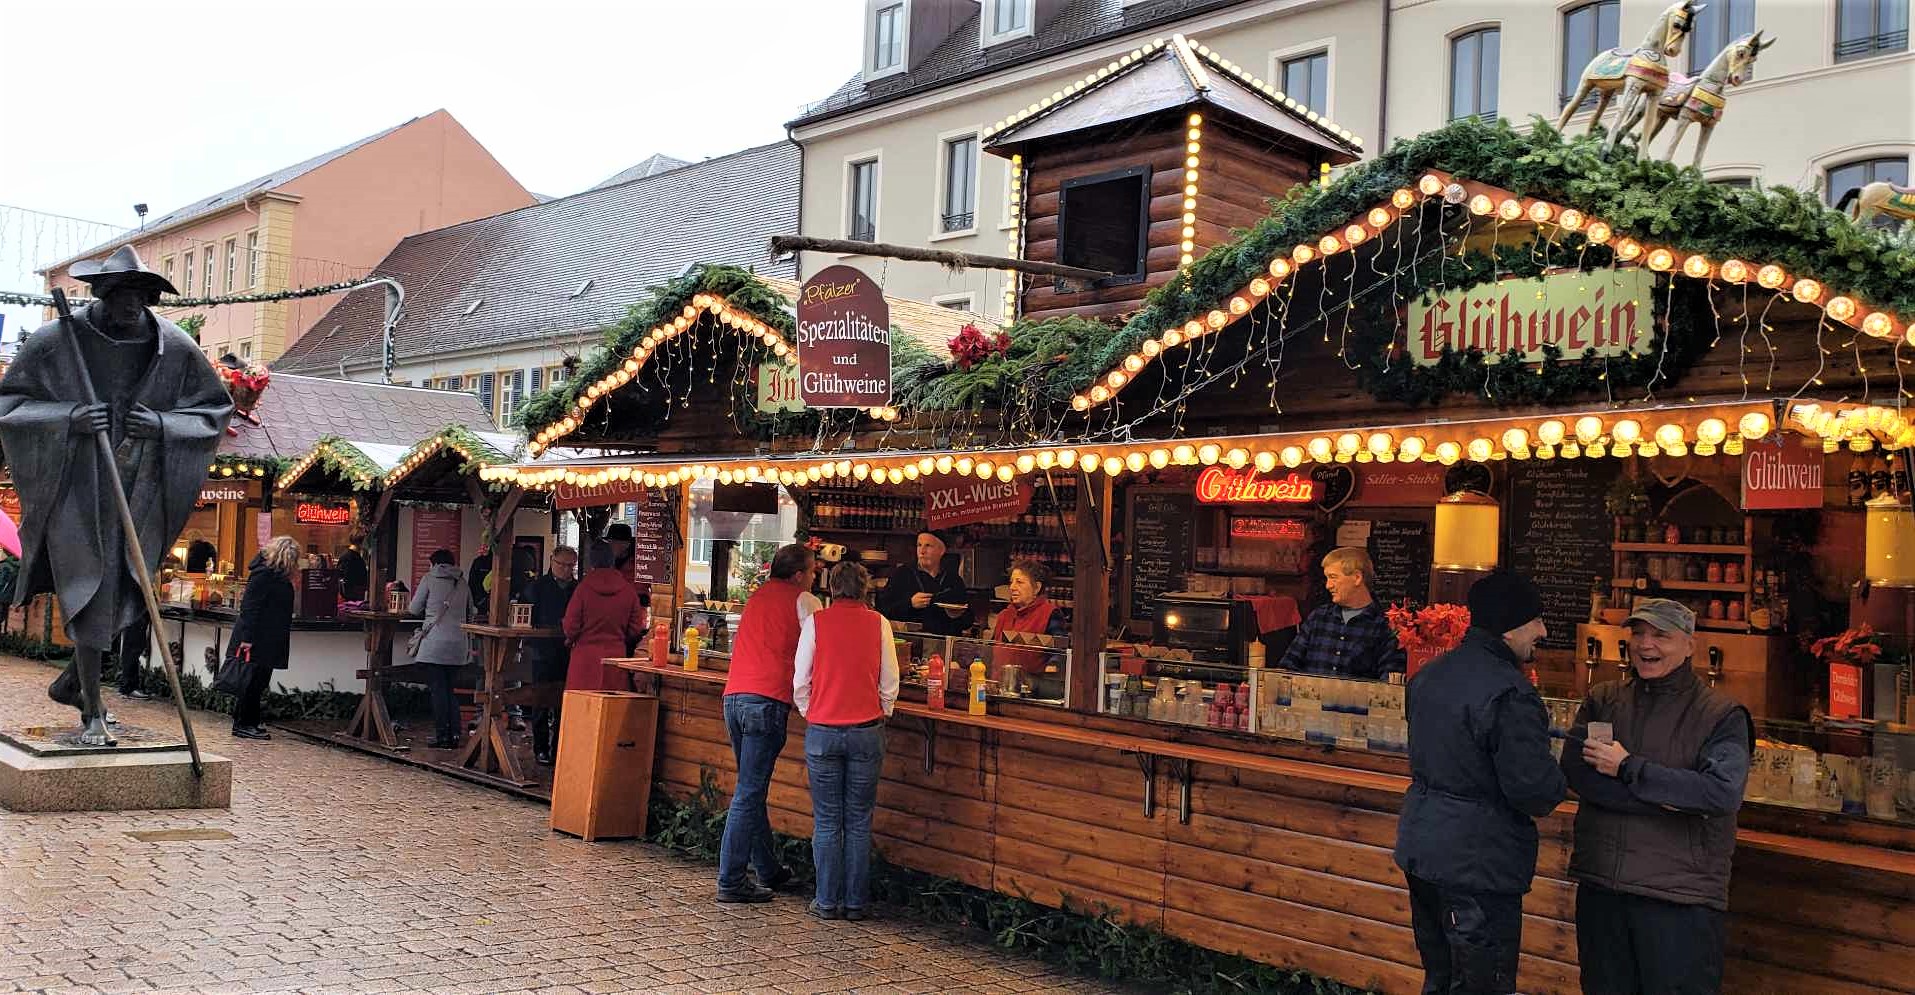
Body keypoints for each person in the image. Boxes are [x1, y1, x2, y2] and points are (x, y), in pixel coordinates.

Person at [0, 245, 232, 746]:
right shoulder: (55, 341)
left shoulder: (173, 346)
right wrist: (67, 418)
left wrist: (164, 424)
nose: (132, 307)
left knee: (129, 594)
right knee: (93, 588)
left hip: (140, 487)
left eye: (142, 297)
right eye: (122, 295)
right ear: (101, 293)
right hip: (77, 489)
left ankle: (74, 683)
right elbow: (10, 407)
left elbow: (214, 409)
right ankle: (93, 710)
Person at [1561, 598, 1753, 995]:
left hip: (1679, 897)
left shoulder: (1722, 714)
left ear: (1690, 646)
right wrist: (1665, 800)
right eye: (1638, 633)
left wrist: (1631, 769)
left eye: (1661, 635)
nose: (1646, 645)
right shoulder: (1605, 699)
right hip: (1603, 887)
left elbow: (1720, 793)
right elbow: (1579, 771)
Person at [1394, 571, 1567, 995]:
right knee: (1481, 984)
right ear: (1510, 626)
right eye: (1536, 620)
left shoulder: (1428, 676)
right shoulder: (1510, 693)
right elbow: (1532, 790)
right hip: (1478, 862)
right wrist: (1569, 773)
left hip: (1425, 847)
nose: (1542, 631)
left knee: (1440, 977)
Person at [716, 543, 822, 904]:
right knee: (748, 792)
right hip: (767, 700)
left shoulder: (757, 597)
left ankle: (768, 869)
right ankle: (730, 880)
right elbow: (819, 649)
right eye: (811, 572)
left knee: (751, 787)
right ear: (798, 575)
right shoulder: (804, 601)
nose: (813, 578)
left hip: (734, 697)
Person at [794, 561, 899, 921]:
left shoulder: (816, 622)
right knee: (857, 820)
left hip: (823, 729)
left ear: (832, 588)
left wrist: (813, 711)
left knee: (826, 820)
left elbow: (800, 680)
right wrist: (882, 709)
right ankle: (855, 903)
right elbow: (890, 681)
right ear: (865, 589)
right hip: (867, 730)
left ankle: (826, 901)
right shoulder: (879, 623)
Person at [1277, 547, 1406, 678]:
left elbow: (1390, 686)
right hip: (1309, 698)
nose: (1328, 585)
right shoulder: (1318, 617)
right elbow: (1288, 667)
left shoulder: (1385, 626)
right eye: (1327, 578)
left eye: (1333, 577)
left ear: (1357, 578)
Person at [228, 537, 298, 740]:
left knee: (257, 681)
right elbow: (250, 607)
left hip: (266, 637)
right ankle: (244, 723)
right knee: (252, 681)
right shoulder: (265, 575)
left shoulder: (270, 575)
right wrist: (247, 638)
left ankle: (248, 721)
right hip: (258, 638)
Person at [561, 541, 644, 693]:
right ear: (612, 561)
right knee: (611, 710)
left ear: (591, 562)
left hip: (585, 659)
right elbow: (636, 628)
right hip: (616, 657)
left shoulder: (583, 590)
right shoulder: (628, 590)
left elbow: (570, 626)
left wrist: (572, 639)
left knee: (581, 709)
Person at [409, 548, 471, 748]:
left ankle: (442, 735)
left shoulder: (429, 578)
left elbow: (413, 608)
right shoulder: (461, 581)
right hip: (458, 644)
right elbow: (472, 610)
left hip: (434, 643)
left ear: (434, 563)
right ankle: (455, 735)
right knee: (450, 690)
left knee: (438, 691)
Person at [523, 545, 579, 765]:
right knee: (540, 701)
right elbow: (526, 614)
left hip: (567, 651)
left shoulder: (577, 588)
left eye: (570, 566)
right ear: (552, 561)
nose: (566, 569)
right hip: (542, 651)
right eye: (562, 564)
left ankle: (559, 748)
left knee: (562, 703)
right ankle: (540, 748)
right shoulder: (537, 587)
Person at [876, 531, 970, 634]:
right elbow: (882, 611)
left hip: (945, 642)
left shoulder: (953, 580)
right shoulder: (902, 574)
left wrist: (957, 615)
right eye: (919, 545)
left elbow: (968, 621)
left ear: (941, 551)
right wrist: (910, 604)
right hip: (911, 641)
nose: (922, 551)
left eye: (928, 546)